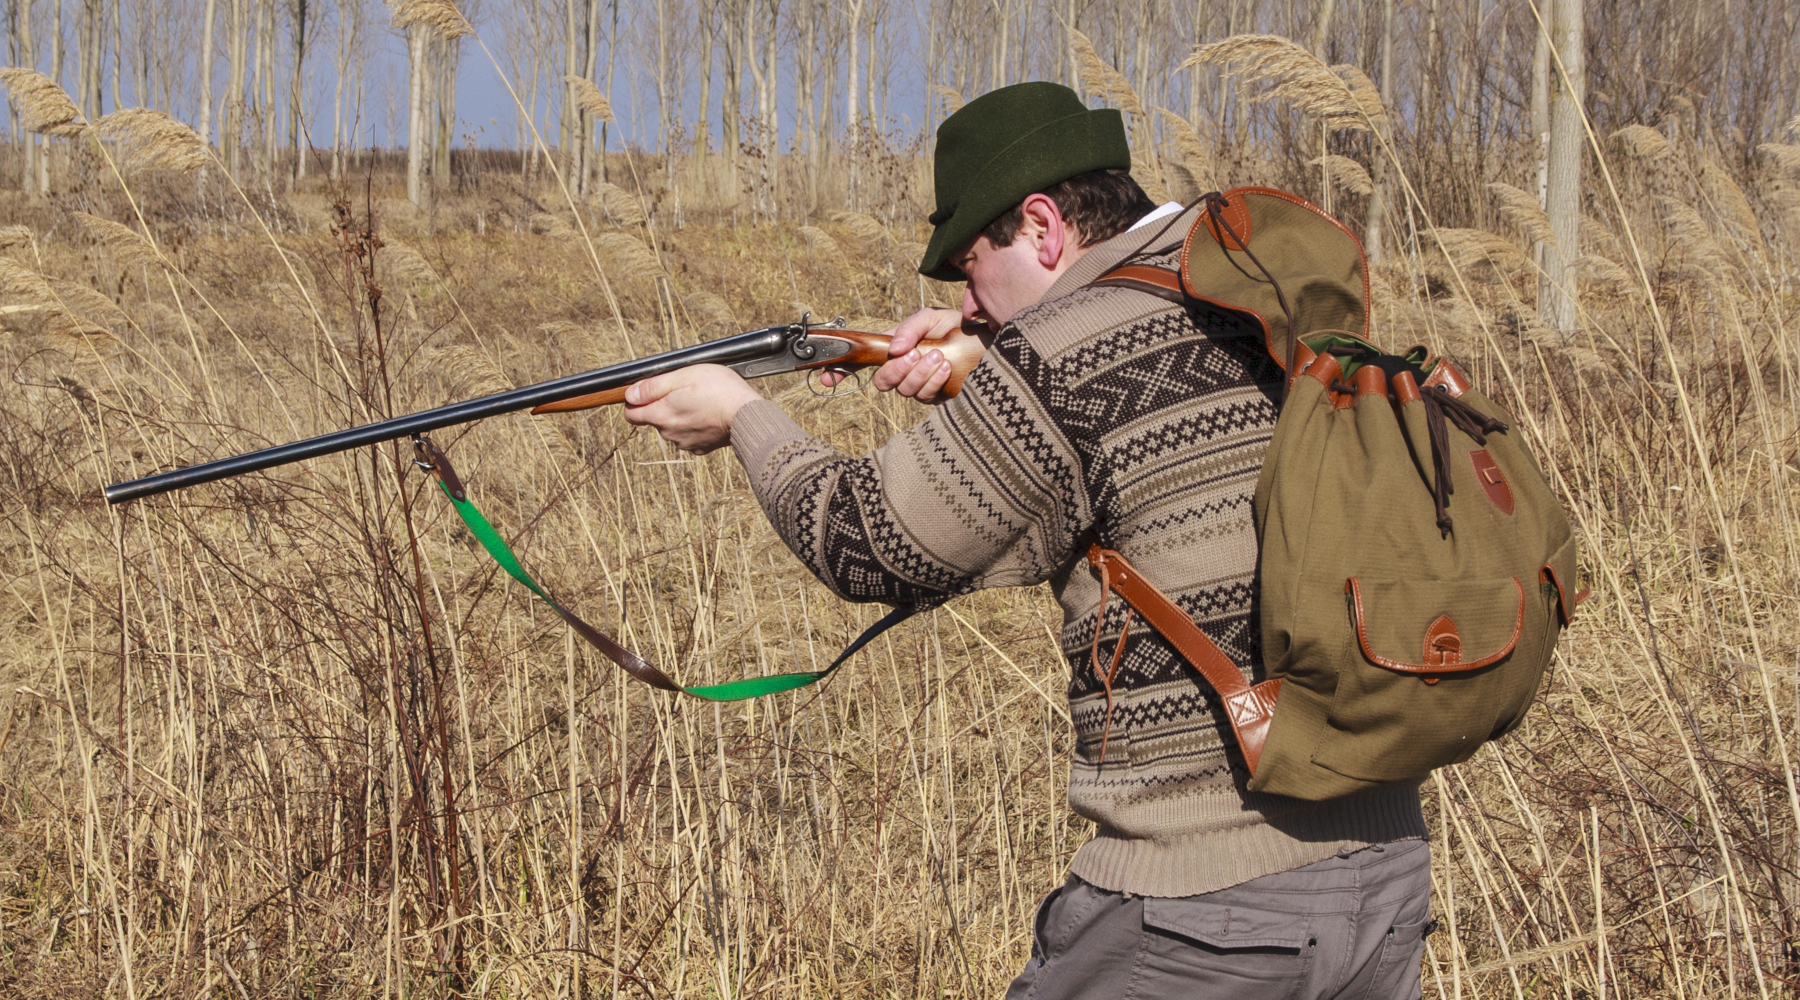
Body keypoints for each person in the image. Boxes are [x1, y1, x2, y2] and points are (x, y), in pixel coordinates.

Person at [621, 82, 1433, 999]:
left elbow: (863, 541)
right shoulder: (1255, 283)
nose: (969, 299)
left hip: (1202, 912)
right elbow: (1146, 458)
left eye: (972, 268)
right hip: (1383, 880)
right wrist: (989, 354)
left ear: (1043, 226)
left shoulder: (1064, 351)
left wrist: (741, 414)